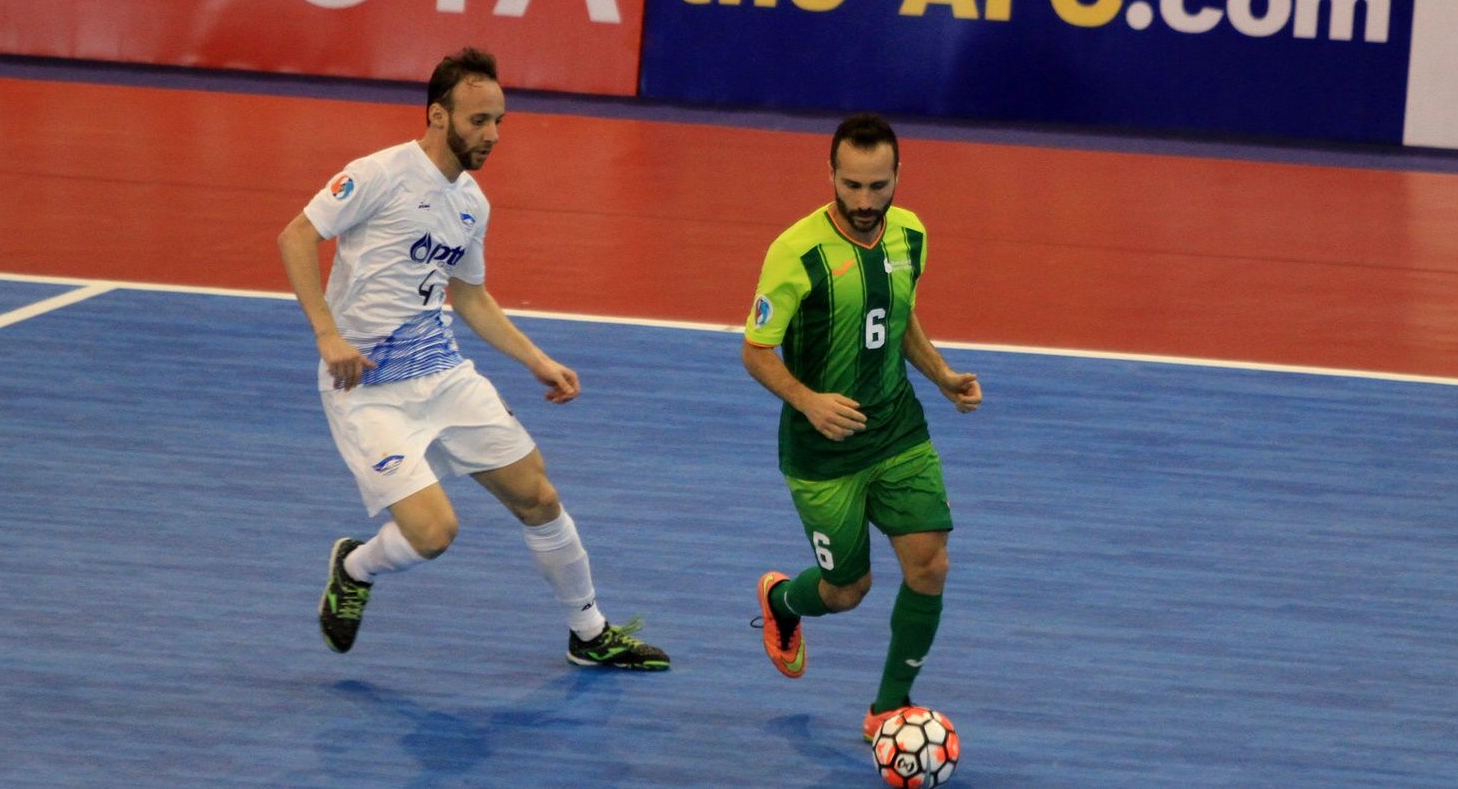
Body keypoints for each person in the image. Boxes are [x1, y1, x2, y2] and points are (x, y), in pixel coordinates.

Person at [276, 47, 667, 671]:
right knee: (434, 534)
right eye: (479, 120)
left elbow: (469, 296)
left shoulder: (472, 203)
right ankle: (355, 567)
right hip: (366, 387)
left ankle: (588, 633)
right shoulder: (377, 174)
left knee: (538, 496)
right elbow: (297, 235)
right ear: (439, 116)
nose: (493, 135)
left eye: (499, 121)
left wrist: (536, 360)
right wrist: (327, 334)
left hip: (443, 373)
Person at [742, 112, 982, 740]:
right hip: (823, 451)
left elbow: (898, 318)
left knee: (930, 566)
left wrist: (941, 374)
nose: (866, 201)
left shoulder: (911, 234)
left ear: (898, 175)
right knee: (848, 590)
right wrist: (808, 400)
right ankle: (782, 601)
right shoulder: (796, 251)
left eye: (879, 186)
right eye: (852, 185)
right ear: (831, 175)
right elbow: (756, 351)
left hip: (897, 429)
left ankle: (888, 709)